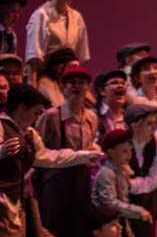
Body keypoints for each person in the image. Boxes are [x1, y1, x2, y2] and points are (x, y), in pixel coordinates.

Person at [0, 83, 102, 237]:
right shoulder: (2, 126)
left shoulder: (29, 134)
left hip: (19, 201)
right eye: (35, 112)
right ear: (21, 108)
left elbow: (47, 157)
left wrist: (82, 156)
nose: (37, 117)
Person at [32, 66, 101, 237]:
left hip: (80, 181)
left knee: (78, 227)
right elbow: (37, 150)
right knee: (52, 228)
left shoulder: (91, 118)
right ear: (63, 87)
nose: (76, 86)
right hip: (55, 180)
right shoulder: (51, 116)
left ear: (88, 87)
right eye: (71, 82)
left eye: (81, 82)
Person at [25, 0, 90, 87]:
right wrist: (32, 87)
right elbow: (33, 59)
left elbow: (78, 57)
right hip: (46, 77)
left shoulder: (77, 17)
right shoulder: (41, 15)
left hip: (68, 79)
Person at [91, 129, 154, 237]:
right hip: (106, 227)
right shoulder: (106, 173)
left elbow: (122, 201)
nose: (129, 155)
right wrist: (138, 212)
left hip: (117, 224)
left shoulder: (121, 172)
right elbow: (109, 203)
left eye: (130, 150)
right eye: (124, 151)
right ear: (111, 152)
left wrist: (128, 230)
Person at [124, 104, 157, 237]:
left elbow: (155, 179)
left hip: (147, 203)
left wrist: (131, 185)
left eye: (155, 123)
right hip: (124, 203)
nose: (154, 127)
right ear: (134, 125)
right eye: (149, 123)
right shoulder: (121, 145)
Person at [93, 71, 129, 143]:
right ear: (102, 91)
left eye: (123, 83)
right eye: (114, 83)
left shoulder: (129, 117)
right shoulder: (93, 116)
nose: (120, 86)